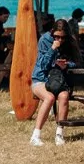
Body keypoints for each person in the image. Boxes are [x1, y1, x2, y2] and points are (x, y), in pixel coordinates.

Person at [29, 19, 74, 147]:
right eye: (56, 37)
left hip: (58, 79)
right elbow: (42, 65)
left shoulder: (69, 41)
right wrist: (53, 49)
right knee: (49, 98)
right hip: (41, 78)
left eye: (62, 37)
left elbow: (76, 61)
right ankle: (35, 135)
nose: (60, 40)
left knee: (64, 97)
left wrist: (66, 65)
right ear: (52, 33)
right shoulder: (44, 40)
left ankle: (59, 133)